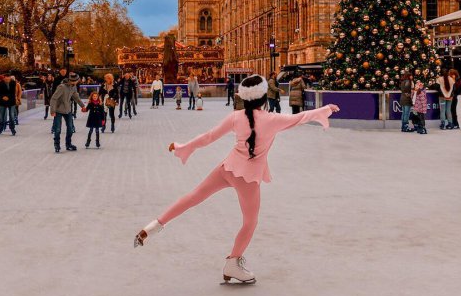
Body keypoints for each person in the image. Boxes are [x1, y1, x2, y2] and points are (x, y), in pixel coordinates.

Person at [133, 74, 340, 283]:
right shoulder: (272, 119)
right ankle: (233, 263)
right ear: (263, 97)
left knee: (194, 196)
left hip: (227, 168)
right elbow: (300, 118)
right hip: (248, 179)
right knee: (250, 222)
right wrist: (325, 109)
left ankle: (153, 226)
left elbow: (208, 137)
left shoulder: (236, 116)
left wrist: (184, 146)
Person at [50, 72, 86, 153]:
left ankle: (68, 144)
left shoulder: (73, 87)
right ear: (73, 81)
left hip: (68, 110)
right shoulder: (61, 87)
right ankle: (57, 144)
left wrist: (82, 106)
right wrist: (53, 111)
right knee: (58, 129)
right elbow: (53, 98)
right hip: (58, 110)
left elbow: (76, 96)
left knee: (70, 128)